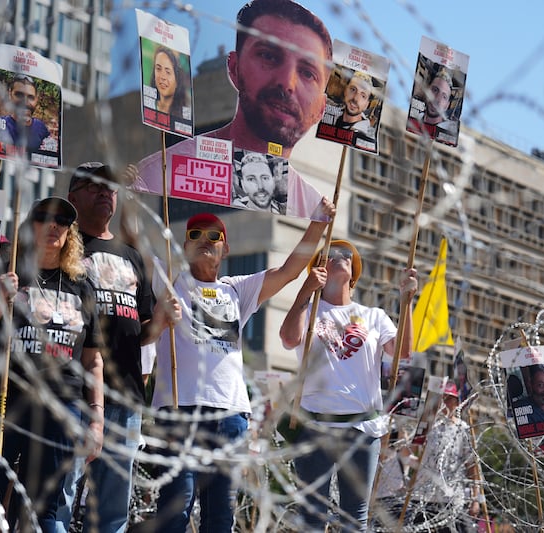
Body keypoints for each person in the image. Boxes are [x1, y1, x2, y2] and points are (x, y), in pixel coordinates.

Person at [149, 198, 334, 532]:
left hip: (230, 417)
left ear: (226, 249)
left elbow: (290, 270)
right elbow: (132, 237)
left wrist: (319, 222)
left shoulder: (237, 290)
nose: (205, 239)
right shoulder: (169, 280)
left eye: (213, 236)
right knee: (174, 512)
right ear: (184, 245)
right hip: (178, 412)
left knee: (220, 517)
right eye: (195, 234)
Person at [0, 196, 104, 533]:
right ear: (30, 227)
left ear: (70, 234)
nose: (54, 225)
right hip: (2, 400)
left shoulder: (82, 286)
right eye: (44, 217)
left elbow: (93, 358)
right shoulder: (3, 271)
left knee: (45, 510)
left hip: (60, 406)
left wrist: (96, 420)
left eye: (63, 221)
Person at [135, 0, 333, 219]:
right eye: (269, 56)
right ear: (234, 68)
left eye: (308, 73)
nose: (287, 83)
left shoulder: (315, 209)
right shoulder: (157, 173)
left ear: (321, 109)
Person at [278, 239, 418, 531]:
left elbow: (403, 352)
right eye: (331, 254)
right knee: (313, 517)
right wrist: (305, 291)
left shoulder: (374, 316)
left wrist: (407, 301)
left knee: (356, 518)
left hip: (361, 429)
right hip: (314, 425)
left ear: (353, 272)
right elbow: (289, 338)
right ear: (318, 269)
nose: (339, 257)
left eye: (346, 255)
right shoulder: (310, 310)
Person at [67, 161, 175, 533]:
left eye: (110, 188)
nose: (104, 194)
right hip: (74, 392)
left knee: (112, 511)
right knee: (61, 500)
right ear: (73, 196)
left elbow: (142, 332)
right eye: (95, 186)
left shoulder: (132, 257)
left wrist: (161, 319)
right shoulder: (62, 245)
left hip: (127, 396)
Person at [409, 382, 481, 533]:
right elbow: (408, 452)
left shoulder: (463, 429)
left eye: (449, 399)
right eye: (442, 398)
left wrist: (476, 499)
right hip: (423, 496)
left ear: (457, 402)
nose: (445, 403)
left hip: (451, 498)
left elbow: (472, 466)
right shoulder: (427, 425)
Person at [0, 74, 51, 155]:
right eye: (19, 95)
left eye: (30, 97)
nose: (25, 102)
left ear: (36, 100)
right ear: (9, 94)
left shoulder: (41, 127)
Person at [408, 68, 458, 139]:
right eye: (435, 90)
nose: (437, 99)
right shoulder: (412, 119)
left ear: (447, 105)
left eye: (444, 97)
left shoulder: (446, 136)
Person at [150, 46, 188, 117]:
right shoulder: (150, 108)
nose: (162, 77)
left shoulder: (184, 114)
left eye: (168, 72)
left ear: (177, 81)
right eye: (158, 69)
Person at [334, 71, 374, 136]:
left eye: (363, 96)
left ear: (366, 105)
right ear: (345, 90)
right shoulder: (333, 112)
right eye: (353, 89)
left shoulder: (364, 134)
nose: (355, 98)